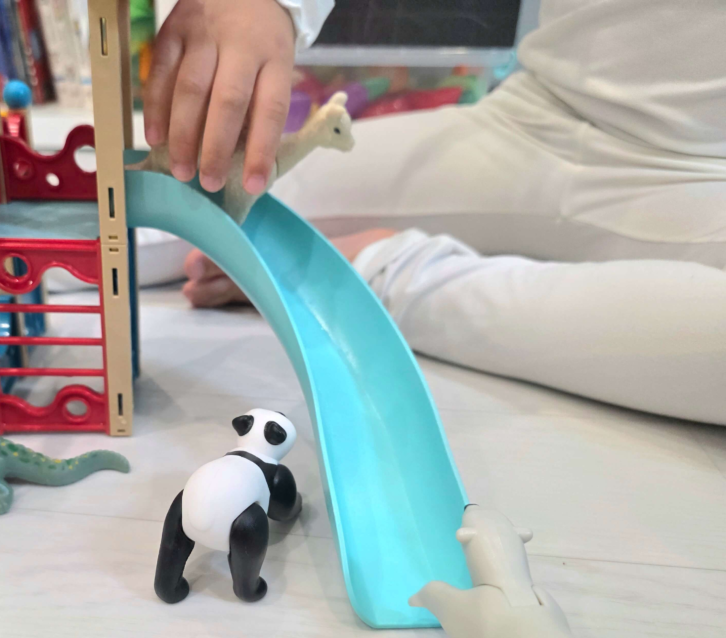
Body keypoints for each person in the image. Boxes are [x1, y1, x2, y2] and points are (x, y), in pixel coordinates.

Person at [175, 0, 726, 426]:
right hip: (530, 122)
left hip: (704, 186)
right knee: (182, 186)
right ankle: (370, 273)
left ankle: (383, 272)